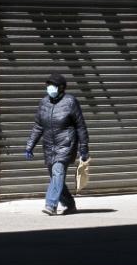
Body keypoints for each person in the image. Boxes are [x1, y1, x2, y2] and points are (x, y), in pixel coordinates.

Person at [25, 72, 89, 216]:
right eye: (48, 85)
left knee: (58, 172)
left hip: (66, 145)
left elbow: (80, 126)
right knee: (55, 177)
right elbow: (38, 126)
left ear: (61, 87)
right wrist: (30, 145)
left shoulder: (70, 102)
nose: (49, 88)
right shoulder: (44, 103)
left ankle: (51, 205)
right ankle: (70, 204)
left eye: (52, 85)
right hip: (49, 146)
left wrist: (83, 147)